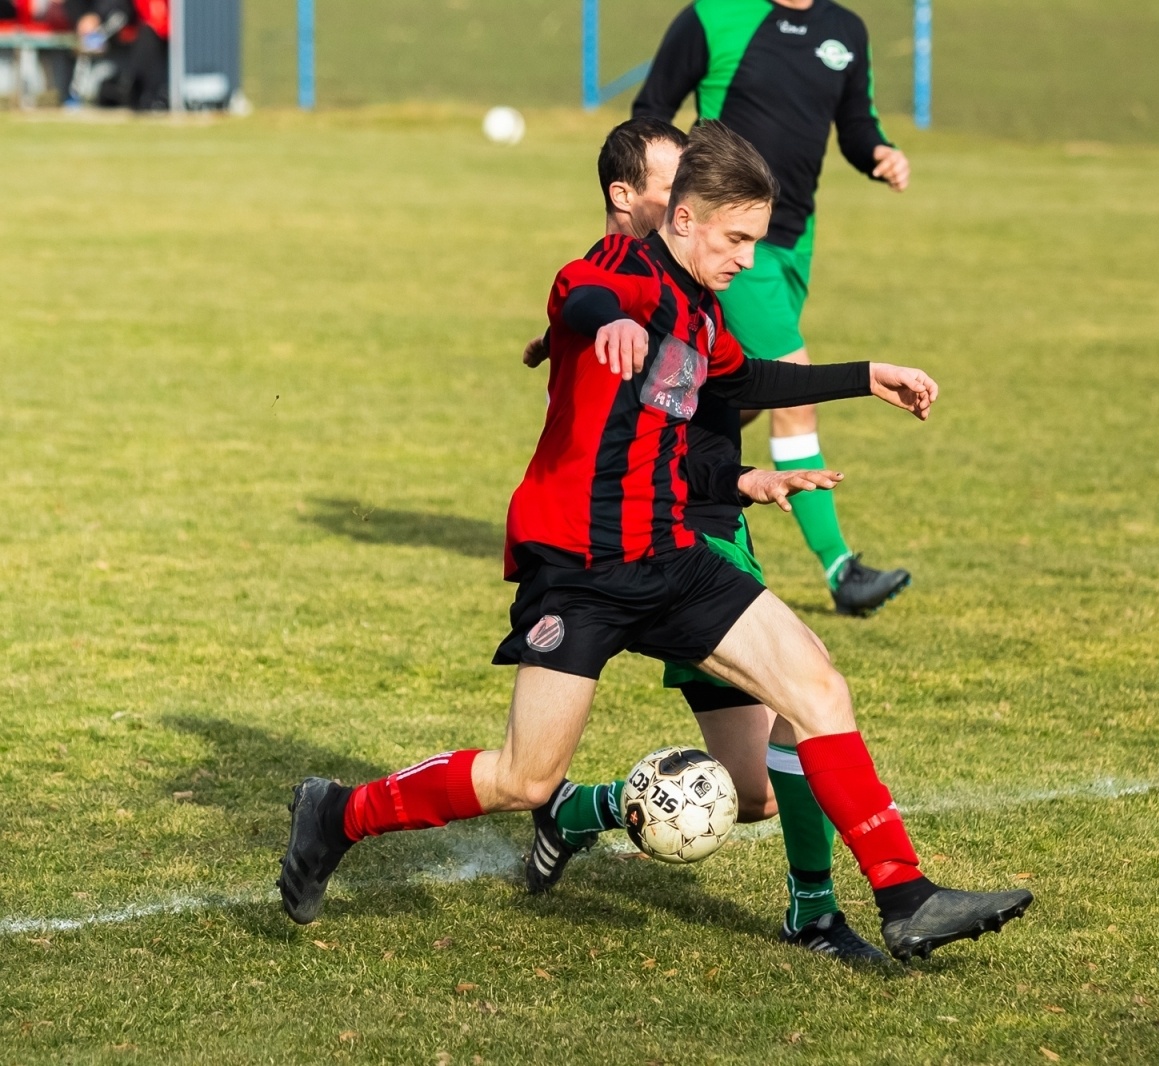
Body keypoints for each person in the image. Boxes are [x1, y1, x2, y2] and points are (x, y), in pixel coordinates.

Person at [278, 122, 1031, 961]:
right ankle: (337, 813)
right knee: (525, 777)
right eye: (736, 237)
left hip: (672, 557)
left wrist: (866, 376)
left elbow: (747, 380)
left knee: (816, 685)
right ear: (682, 219)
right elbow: (580, 300)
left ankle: (904, 895)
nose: (747, 257)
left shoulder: (702, 313)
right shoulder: (609, 277)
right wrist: (613, 327)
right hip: (580, 571)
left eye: (756, 239)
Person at [524, 118, 885, 962]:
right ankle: (818, 912)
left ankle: (583, 811)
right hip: (648, 540)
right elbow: (590, 310)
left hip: (707, 528)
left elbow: (728, 382)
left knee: (754, 793)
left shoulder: (694, 293)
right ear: (640, 202)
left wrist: (745, 471)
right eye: (670, 181)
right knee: (811, 697)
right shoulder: (617, 282)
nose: (683, 193)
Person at [633, 0, 915, 618]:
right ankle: (841, 570)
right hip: (723, 241)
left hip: (792, 242)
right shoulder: (714, 16)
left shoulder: (846, 30)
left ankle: (646, 480)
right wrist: (682, 201)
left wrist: (880, 154)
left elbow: (856, 122)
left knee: (732, 391)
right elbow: (651, 112)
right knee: (795, 388)